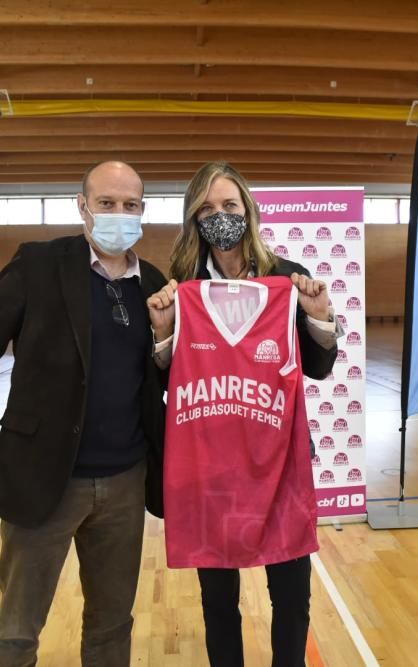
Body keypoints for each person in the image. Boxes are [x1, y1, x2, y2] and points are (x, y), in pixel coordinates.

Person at [0, 161, 168, 667]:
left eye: (130, 205)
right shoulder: (38, 264)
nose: (119, 213)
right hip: (43, 474)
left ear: (143, 211)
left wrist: (165, 338)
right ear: (82, 205)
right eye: (107, 203)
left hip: (125, 479)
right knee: (18, 629)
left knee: (113, 625)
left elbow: (160, 377)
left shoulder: (154, 283)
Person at [147, 161, 341, 667]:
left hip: (278, 465)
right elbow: (168, 379)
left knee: (292, 594)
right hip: (210, 468)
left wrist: (318, 318)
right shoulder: (182, 285)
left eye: (229, 205)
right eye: (207, 209)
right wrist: (163, 333)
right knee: (218, 601)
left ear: (248, 210)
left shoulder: (284, 276)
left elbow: (317, 367)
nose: (220, 216)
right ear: (194, 219)